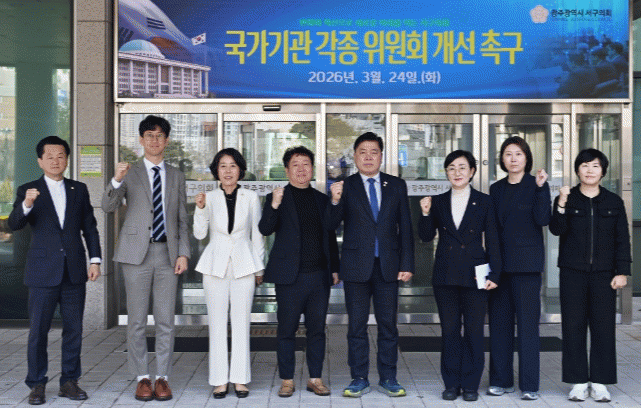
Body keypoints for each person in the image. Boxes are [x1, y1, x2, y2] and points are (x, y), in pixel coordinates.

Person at [101, 115, 190, 402]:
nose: (154, 140)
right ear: (141, 140)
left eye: (159, 135)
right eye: (149, 135)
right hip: (135, 255)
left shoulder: (176, 175)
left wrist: (183, 253)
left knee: (165, 320)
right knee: (137, 320)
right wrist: (116, 180)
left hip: (167, 254)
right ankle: (142, 378)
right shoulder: (130, 172)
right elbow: (108, 206)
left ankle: (162, 377)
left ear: (167, 140)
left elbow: (182, 218)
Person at [8, 136, 101, 405]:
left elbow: (90, 227)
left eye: (60, 155)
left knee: (74, 329)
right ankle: (37, 383)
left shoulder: (78, 189)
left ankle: (69, 381)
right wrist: (27, 204)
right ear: (40, 161)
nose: (55, 161)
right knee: (38, 331)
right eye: (49, 156)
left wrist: (95, 260)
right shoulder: (28, 190)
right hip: (42, 272)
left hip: (74, 271)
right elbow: (14, 224)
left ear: (67, 159)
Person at [326, 132, 414, 398]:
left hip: (388, 266)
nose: (368, 157)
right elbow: (330, 225)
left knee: (388, 325)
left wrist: (407, 263)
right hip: (356, 266)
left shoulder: (396, 185)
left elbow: (405, 228)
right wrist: (334, 200)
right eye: (362, 152)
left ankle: (388, 377)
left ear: (381, 156)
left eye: (373, 152)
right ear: (354, 156)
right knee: (356, 326)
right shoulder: (346, 185)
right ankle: (359, 377)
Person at [418, 150, 501, 402]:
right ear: (446, 172)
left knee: (474, 332)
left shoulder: (484, 201)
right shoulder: (438, 201)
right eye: (452, 168)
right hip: (445, 275)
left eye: (462, 167)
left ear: (472, 171)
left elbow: (493, 240)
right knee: (450, 331)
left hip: (476, 275)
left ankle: (471, 384)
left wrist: (495, 273)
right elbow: (425, 236)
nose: (457, 172)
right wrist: (425, 213)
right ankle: (451, 383)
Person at [549, 149, 630, 403]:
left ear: (603, 171)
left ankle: (600, 382)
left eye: (595, 166)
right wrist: (561, 203)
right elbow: (556, 229)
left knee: (603, 328)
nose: (590, 170)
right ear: (577, 170)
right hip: (572, 273)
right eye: (585, 165)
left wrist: (622, 271)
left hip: (604, 275)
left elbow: (622, 239)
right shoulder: (567, 198)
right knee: (572, 327)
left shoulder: (613, 201)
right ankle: (578, 382)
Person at [259, 146, 340, 398]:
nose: (301, 169)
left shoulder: (321, 199)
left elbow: (330, 236)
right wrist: (274, 205)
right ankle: (287, 380)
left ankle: (315, 378)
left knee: (317, 330)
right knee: (286, 330)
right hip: (289, 278)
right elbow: (265, 229)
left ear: (312, 169)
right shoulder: (277, 197)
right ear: (287, 170)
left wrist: (335, 269)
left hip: (318, 276)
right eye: (295, 164)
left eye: (306, 164)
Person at [192, 148, 265, 399]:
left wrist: (259, 268)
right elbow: (200, 234)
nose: (228, 171)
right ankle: (219, 380)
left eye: (233, 165)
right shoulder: (209, 197)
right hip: (215, 266)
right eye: (223, 166)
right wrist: (200, 209)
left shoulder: (250, 197)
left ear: (240, 170)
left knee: (242, 322)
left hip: (244, 264)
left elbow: (257, 235)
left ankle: (240, 379)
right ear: (216, 170)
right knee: (217, 323)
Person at [487, 136, 551, 401]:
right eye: (508, 154)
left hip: (527, 268)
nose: (513, 159)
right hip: (500, 267)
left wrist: (542, 189)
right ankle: (500, 381)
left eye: (518, 154)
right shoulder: (496, 189)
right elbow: (492, 230)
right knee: (499, 326)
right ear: (502, 159)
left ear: (527, 158)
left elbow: (543, 219)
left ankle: (530, 385)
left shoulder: (536, 185)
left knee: (527, 328)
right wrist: (491, 267)